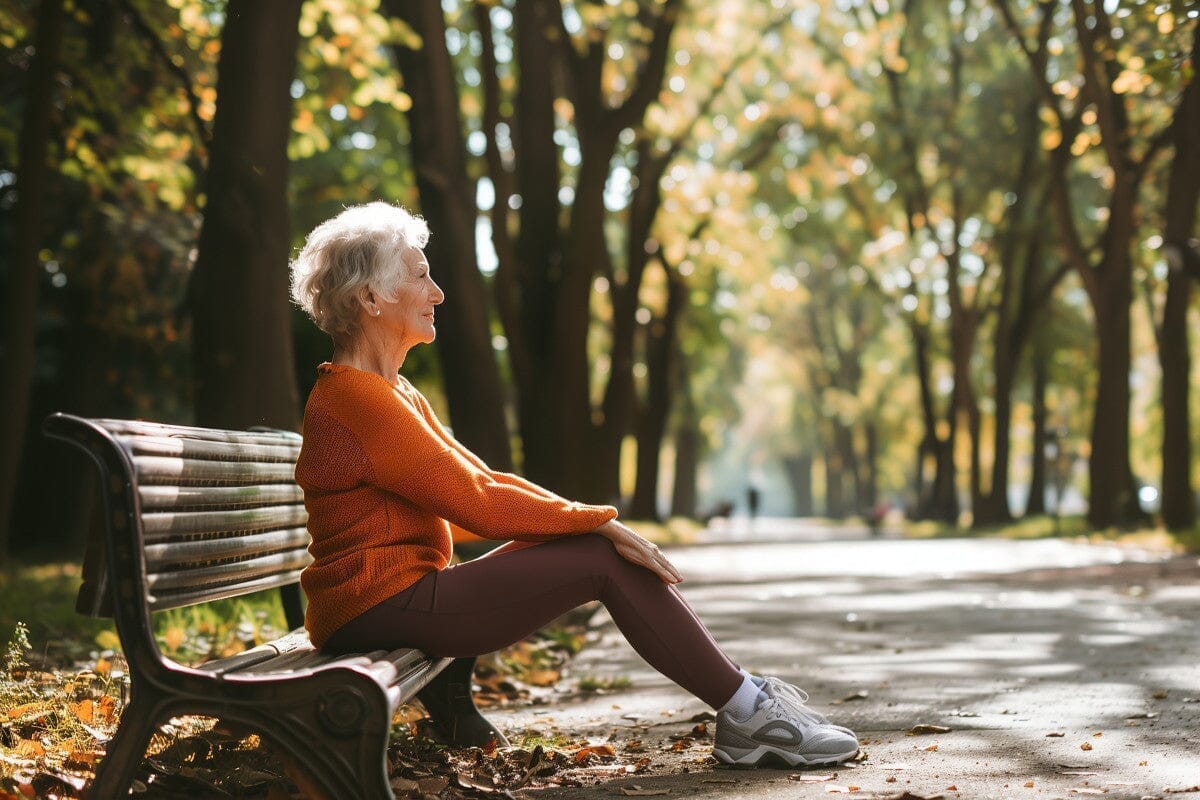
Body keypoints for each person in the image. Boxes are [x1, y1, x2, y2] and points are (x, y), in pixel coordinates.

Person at [288, 201, 859, 768]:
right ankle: (748, 710)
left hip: (391, 598)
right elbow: (479, 504)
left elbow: (483, 480)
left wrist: (592, 521)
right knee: (599, 559)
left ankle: (746, 702)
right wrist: (600, 525)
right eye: (420, 276)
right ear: (369, 298)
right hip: (375, 605)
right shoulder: (358, 399)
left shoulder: (390, 392)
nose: (437, 292)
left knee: (592, 548)